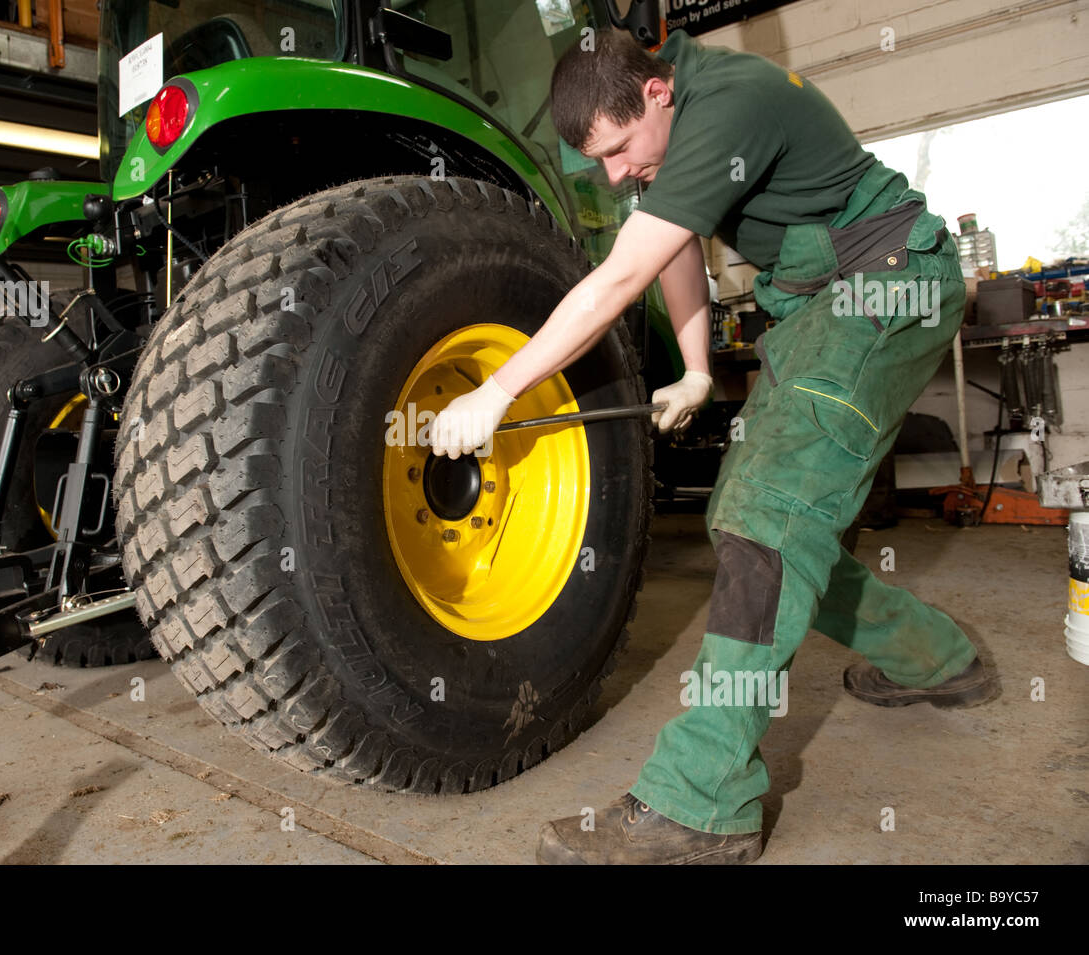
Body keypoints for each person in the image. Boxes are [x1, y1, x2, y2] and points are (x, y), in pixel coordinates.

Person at [428, 28, 998, 865]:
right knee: (754, 517)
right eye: (602, 163)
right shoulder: (668, 133)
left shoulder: (728, 101)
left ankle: (702, 802)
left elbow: (621, 274)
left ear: (656, 93)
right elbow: (675, 246)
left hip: (888, 279)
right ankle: (936, 658)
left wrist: (496, 388)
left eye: (620, 150)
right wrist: (696, 369)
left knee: (770, 518)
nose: (616, 174)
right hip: (817, 302)